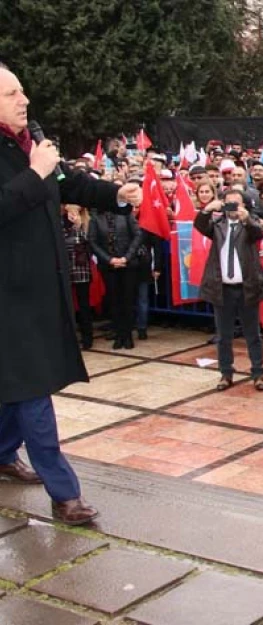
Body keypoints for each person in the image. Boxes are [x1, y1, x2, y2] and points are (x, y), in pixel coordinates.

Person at [0, 62, 143, 525]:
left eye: (22, 91)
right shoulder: (26, 158)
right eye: (11, 94)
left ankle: (2, 454)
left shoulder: (29, 145)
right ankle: (66, 496)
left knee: (15, 387)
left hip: (41, 287)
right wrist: (33, 172)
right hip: (8, 295)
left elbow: (70, 183)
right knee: (34, 388)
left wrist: (117, 193)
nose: (24, 100)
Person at [194, 189, 263, 392]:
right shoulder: (218, 225)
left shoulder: (250, 223)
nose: (233, 208)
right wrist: (208, 209)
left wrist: (247, 219)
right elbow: (200, 225)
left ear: (244, 205)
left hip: (247, 287)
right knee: (224, 335)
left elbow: (259, 233)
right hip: (223, 288)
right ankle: (226, 373)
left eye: (237, 203)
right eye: (229, 203)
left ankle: (258, 372)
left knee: (252, 333)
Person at [88, 196, 142, 350]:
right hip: (109, 266)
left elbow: (138, 235)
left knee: (128, 300)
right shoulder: (96, 218)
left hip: (128, 263)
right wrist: (109, 259)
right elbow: (93, 241)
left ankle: (128, 335)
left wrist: (126, 257)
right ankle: (119, 335)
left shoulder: (125, 214)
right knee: (114, 300)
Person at [62, 204, 94, 350]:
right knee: (66, 303)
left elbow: (89, 242)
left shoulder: (87, 221)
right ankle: (69, 337)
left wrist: (79, 226)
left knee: (83, 304)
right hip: (65, 266)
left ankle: (87, 338)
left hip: (81, 267)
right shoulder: (61, 220)